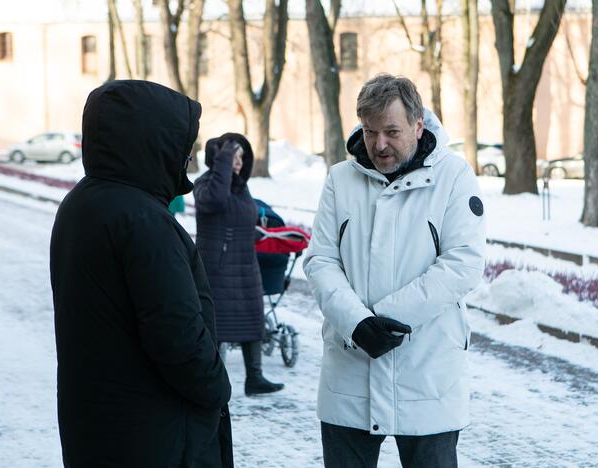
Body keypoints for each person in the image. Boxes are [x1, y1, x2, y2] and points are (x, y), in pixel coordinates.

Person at [303, 74, 486, 467]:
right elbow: (320, 260)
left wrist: (387, 319)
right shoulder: (340, 179)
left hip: (427, 375)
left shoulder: (453, 176)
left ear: (418, 125)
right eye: (370, 131)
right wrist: (357, 324)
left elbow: (463, 263)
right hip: (349, 370)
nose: (379, 144)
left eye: (391, 131)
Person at [50, 80, 233, 468]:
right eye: (182, 149)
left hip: (99, 426)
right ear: (154, 142)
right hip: (156, 436)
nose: (185, 160)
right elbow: (177, 334)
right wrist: (217, 387)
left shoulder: (82, 202)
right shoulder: (143, 220)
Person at [193, 132, 284, 396]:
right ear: (218, 158)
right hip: (217, 266)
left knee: (253, 318)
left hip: (245, 264)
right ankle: (212, 379)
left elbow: (241, 215)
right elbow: (216, 201)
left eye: (241, 157)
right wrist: (222, 161)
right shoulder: (205, 184)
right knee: (217, 323)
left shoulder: (241, 188)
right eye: (233, 157)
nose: (238, 162)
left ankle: (254, 377)